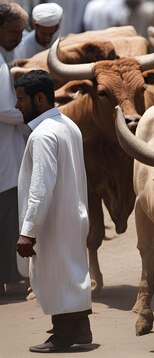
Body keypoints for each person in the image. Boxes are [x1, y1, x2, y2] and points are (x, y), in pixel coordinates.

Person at [15, 70, 92, 353]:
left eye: (21, 99)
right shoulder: (68, 125)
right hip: (71, 213)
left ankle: (62, 335)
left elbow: (40, 188)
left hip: (53, 219)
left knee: (55, 274)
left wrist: (28, 232)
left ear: (39, 98)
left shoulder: (44, 135)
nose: (17, 106)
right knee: (70, 272)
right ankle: (81, 329)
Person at [0, 2, 29, 296]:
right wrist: (32, 116)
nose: (18, 38)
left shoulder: (5, 57)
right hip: (4, 154)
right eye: (12, 32)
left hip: (7, 148)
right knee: (8, 216)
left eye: (21, 32)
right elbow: (3, 108)